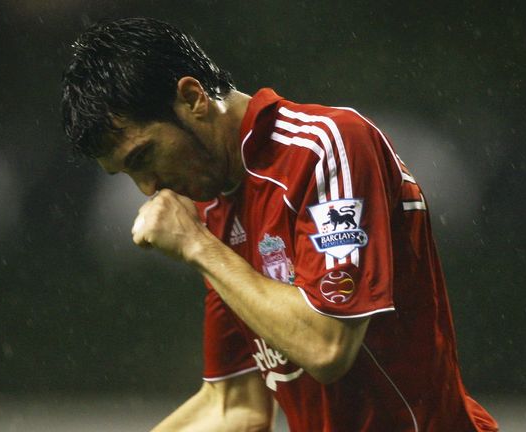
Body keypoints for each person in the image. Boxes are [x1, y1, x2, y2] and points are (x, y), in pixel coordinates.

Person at [60, 17, 499, 432]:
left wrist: (197, 245)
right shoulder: (216, 210)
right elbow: (234, 406)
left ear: (193, 99)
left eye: (144, 157)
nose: (147, 187)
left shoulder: (326, 146)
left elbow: (327, 346)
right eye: (127, 173)